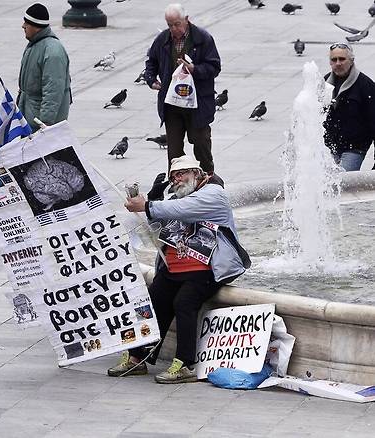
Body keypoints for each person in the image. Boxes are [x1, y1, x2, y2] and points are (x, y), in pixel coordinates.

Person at [107, 156, 250, 383]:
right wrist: (152, 199)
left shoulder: (215, 194)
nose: (176, 179)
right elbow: (156, 228)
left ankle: (185, 364)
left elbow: (184, 208)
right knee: (152, 303)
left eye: (182, 174)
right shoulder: (177, 197)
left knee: (184, 302)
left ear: (196, 173)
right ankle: (137, 358)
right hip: (172, 268)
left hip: (205, 270)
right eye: (174, 176)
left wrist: (148, 205)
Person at [144, 3, 221, 174]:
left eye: (176, 24)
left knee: (201, 144)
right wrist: (151, 80)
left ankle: (208, 181)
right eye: (169, 25)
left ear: (186, 20)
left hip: (197, 104)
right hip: (172, 104)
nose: (173, 29)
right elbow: (151, 62)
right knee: (174, 151)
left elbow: (214, 67)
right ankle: (176, 184)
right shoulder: (162, 39)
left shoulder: (202, 39)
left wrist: (194, 69)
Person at [18, 2, 72, 131]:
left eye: (27, 23)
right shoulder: (35, 44)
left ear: (36, 26)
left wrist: (45, 123)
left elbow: (53, 91)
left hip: (42, 125)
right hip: (31, 120)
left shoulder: (52, 52)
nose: (23, 26)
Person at [323, 43, 375, 171]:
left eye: (342, 59)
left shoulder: (365, 85)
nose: (338, 63)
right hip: (330, 146)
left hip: (355, 147)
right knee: (329, 187)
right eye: (334, 60)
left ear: (351, 61)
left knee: (343, 184)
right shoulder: (324, 83)